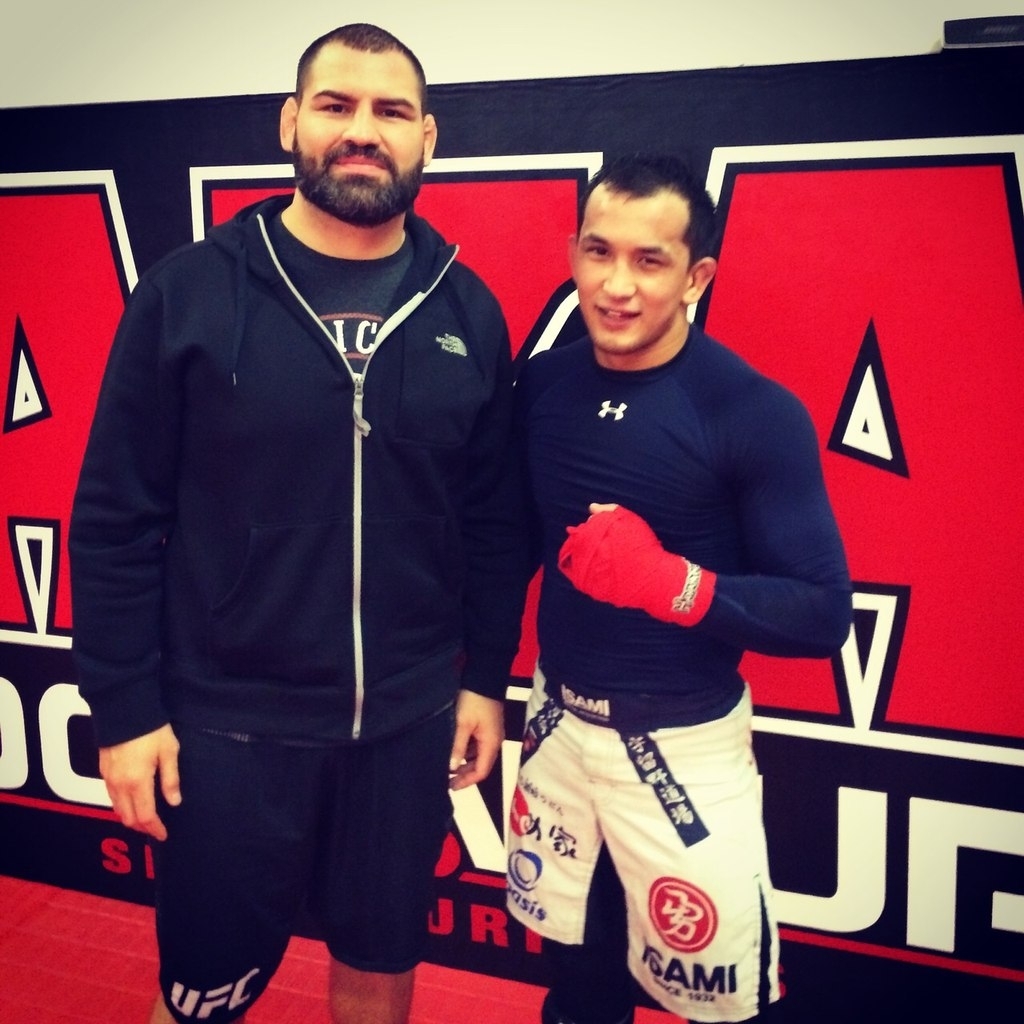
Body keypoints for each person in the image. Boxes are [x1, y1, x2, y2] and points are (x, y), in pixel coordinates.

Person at [69, 23, 527, 1024]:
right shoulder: (190, 292)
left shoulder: (467, 310)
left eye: (391, 111)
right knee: (203, 996)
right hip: (229, 728)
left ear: (427, 138)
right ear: (290, 123)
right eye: (336, 104)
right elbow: (112, 520)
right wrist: (126, 710)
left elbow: (494, 523)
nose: (363, 130)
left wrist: (485, 679)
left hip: (406, 725)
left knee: (379, 968)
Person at [506, 153, 852, 1024]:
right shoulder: (542, 386)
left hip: (685, 748)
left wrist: (673, 584)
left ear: (696, 277)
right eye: (598, 252)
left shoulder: (751, 410)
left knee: (723, 1004)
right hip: (557, 732)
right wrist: (469, 678)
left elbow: (822, 613)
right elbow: (502, 549)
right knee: (577, 988)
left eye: (649, 260)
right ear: (574, 253)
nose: (616, 285)